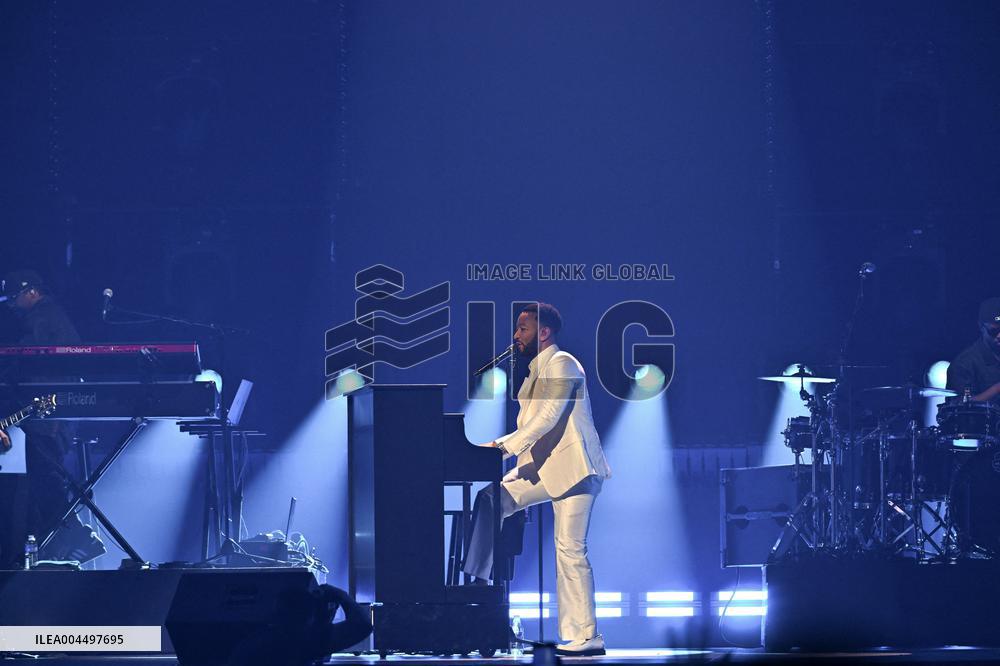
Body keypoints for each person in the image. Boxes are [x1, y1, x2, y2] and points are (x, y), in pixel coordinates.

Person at [463, 302, 611, 656]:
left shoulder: (564, 364)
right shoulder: (532, 374)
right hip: (545, 467)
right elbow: (530, 430)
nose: (516, 335)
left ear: (543, 332)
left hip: (576, 470)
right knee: (491, 498)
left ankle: (587, 637)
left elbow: (546, 419)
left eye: (523, 328)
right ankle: (479, 589)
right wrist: (503, 453)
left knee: (569, 549)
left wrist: (500, 448)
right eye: (517, 329)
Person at [0, 269, 81, 568]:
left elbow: (26, 365)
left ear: (32, 292)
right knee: (41, 483)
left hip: (47, 419)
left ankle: (63, 542)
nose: (11, 306)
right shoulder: (51, 318)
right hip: (45, 417)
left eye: (15, 298)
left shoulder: (42, 318)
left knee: (46, 481)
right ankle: (50, 547)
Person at [946, 297, 1000, 400]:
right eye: (994, 331)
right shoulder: (964, 364)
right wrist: (996, 389)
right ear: (981, 326)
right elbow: (961, 407)